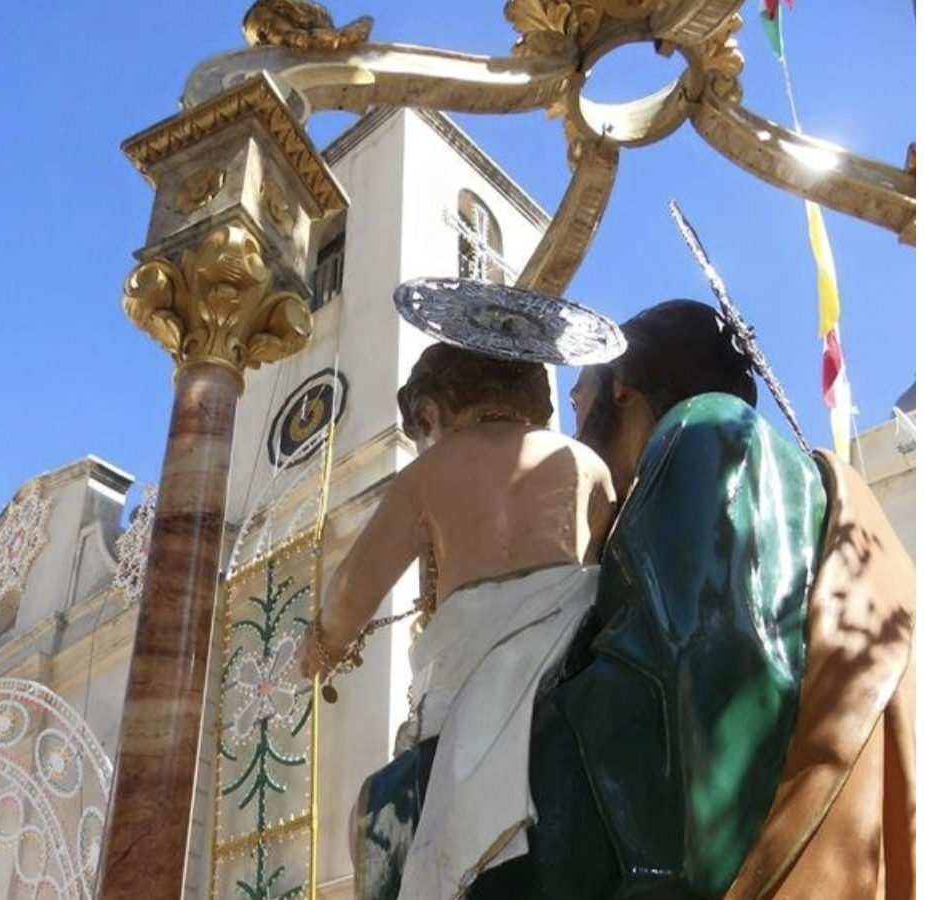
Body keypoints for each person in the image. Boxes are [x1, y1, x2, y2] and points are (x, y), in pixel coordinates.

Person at [498, 298, 913, 900]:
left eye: (579, 393)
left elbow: (718, 662)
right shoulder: (705, 457)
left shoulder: (704, 431)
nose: (572, 413)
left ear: (621, 387)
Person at [296, 341, 617, 900]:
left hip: (473, 672)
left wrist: (320, 646)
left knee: (380, 811)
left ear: (429, 415)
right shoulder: (585, 462)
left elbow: (353, 586)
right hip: (574, 653)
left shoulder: (431, 469)